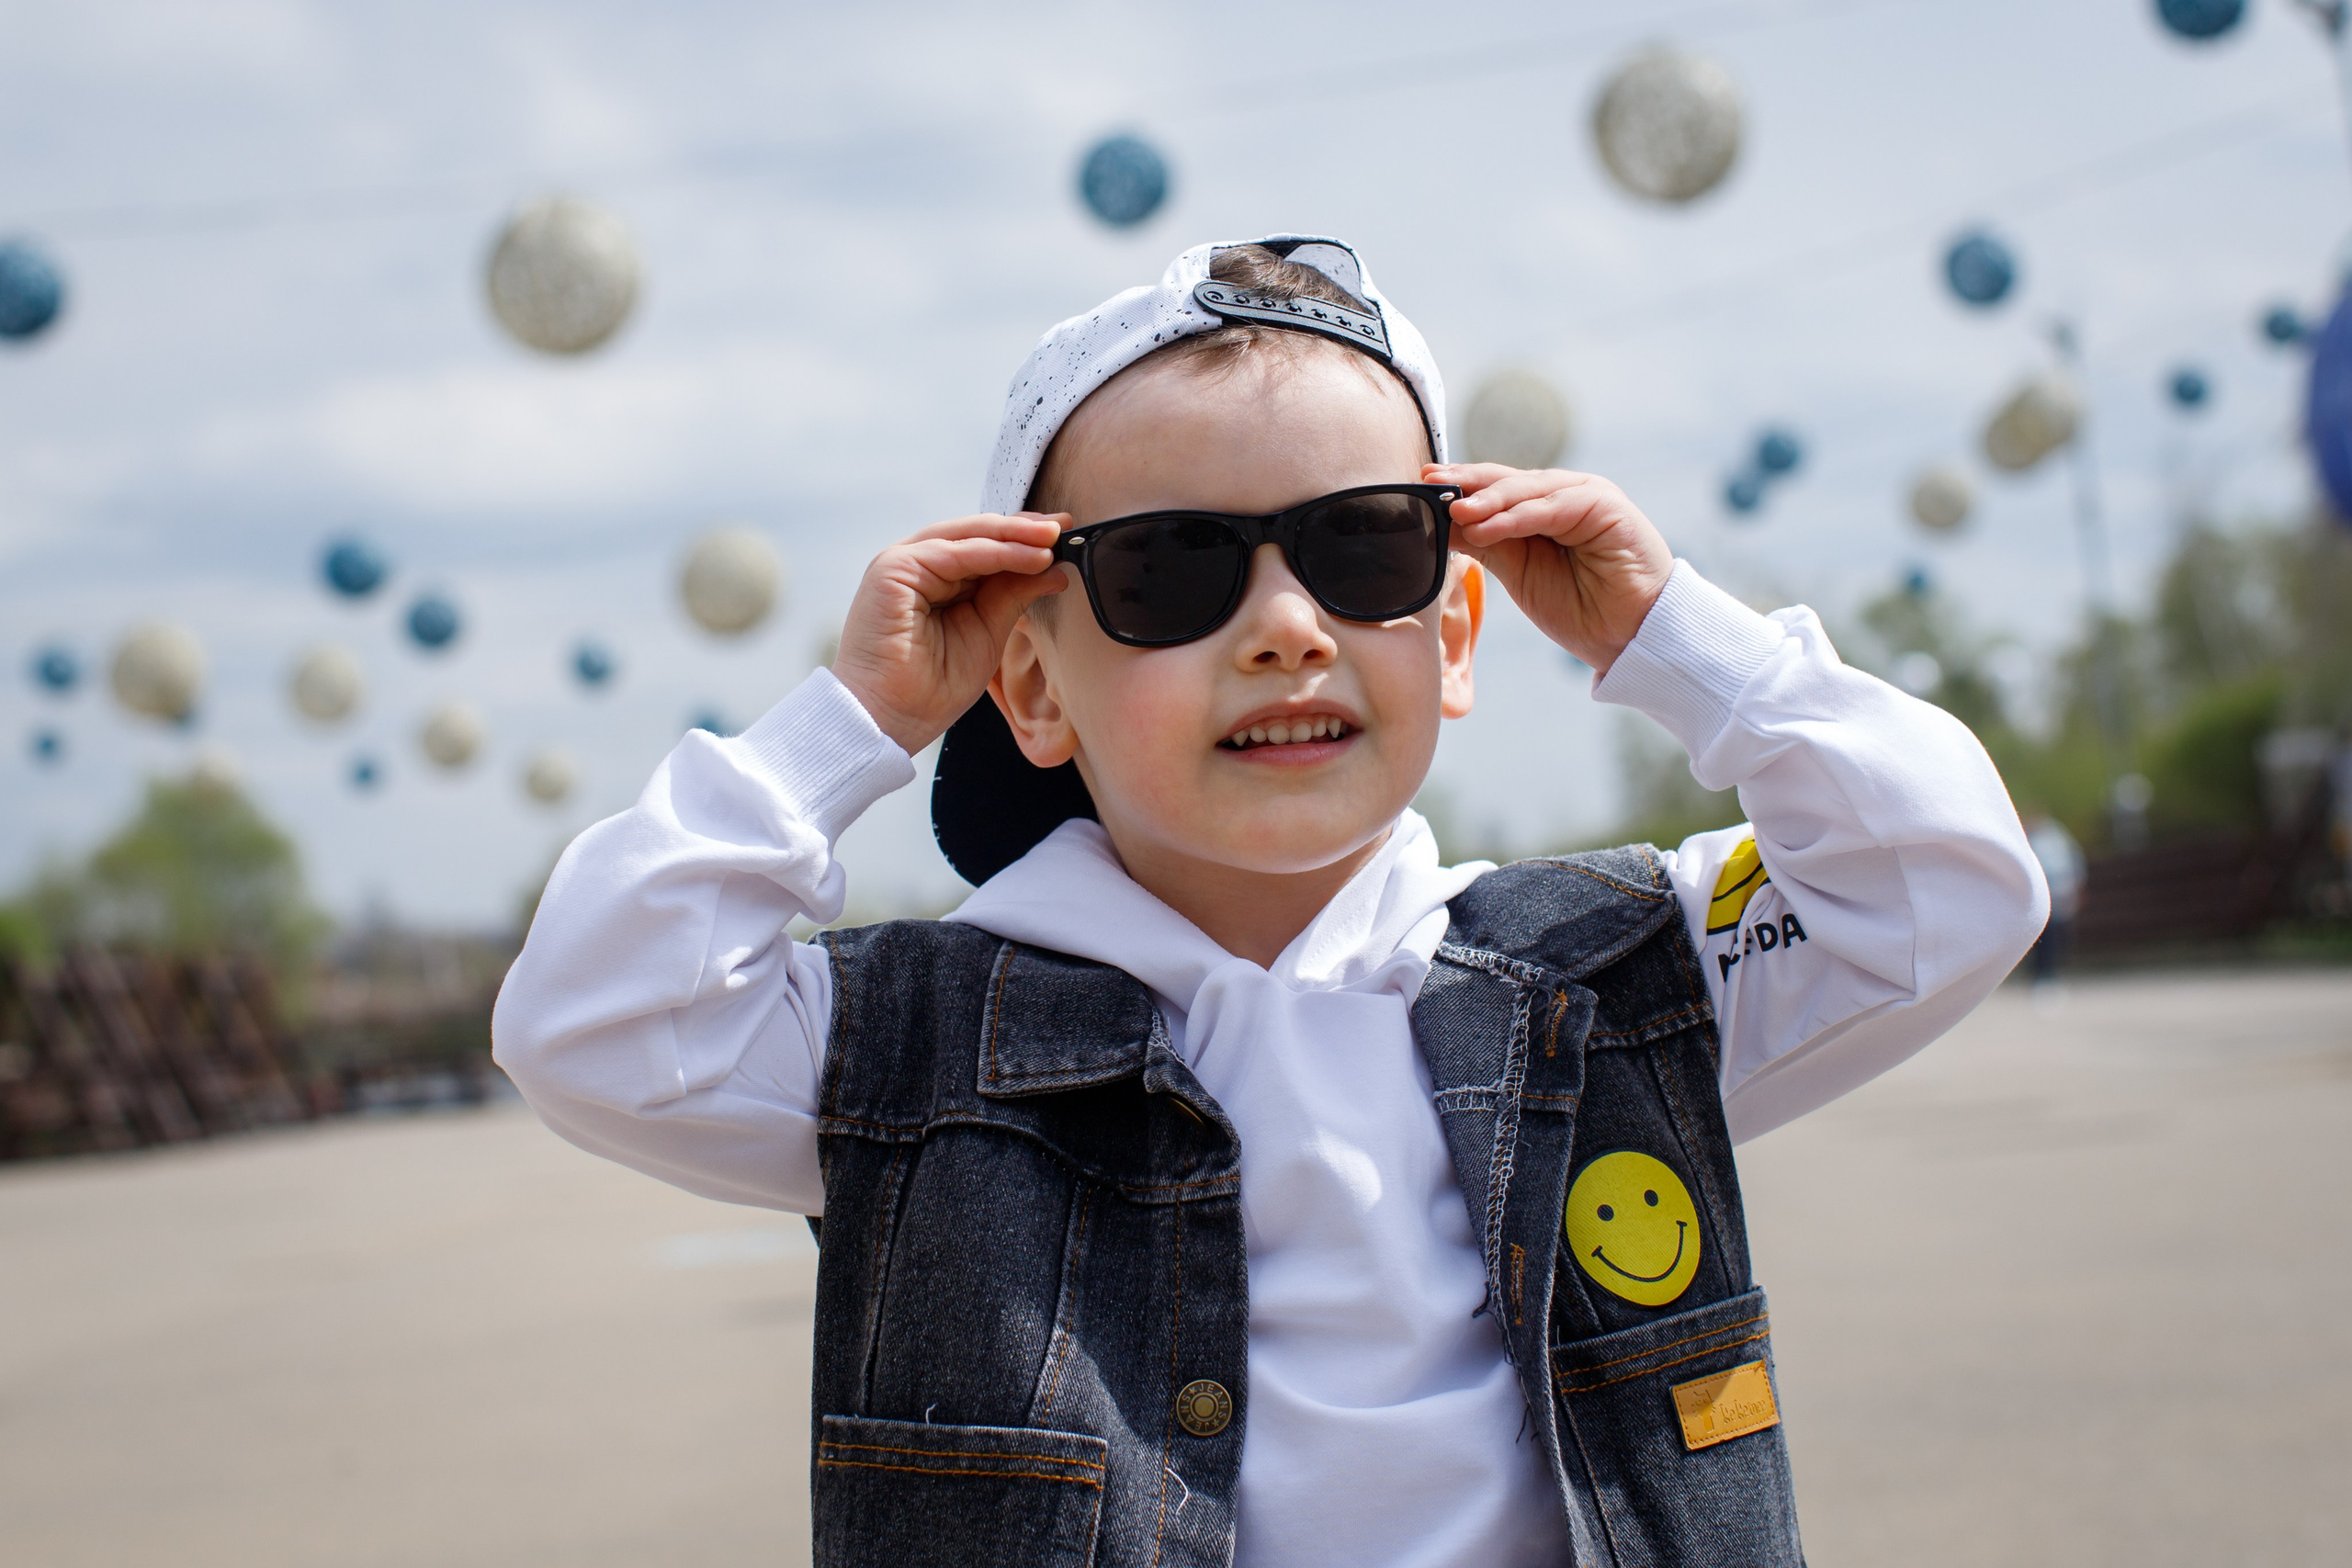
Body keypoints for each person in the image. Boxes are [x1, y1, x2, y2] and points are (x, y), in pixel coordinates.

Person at [493, 236, 2049, 1568]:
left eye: (1362, 548)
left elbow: (1946, 880)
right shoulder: (915, 1053)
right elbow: (594, 1019)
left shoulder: (1614, 978)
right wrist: (853, 722)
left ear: (1454, 632)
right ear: (1030, 680)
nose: (1287, 627)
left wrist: (1673, 633)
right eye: (1174, 572)